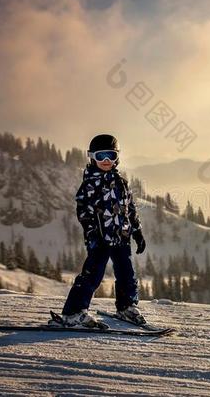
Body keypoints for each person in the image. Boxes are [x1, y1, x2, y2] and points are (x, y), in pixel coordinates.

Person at [60, 134, 147, 328]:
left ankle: (126, 307)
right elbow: (83, 212)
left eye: (111, 155)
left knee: (127, 274)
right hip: (100, 239)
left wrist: (137, 232)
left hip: (121, 238)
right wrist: (93, 233)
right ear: (92, 157)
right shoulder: (89, 185)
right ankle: (73, 312)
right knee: (93, 274)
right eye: (101, 156)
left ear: (117, 157)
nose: (106, 161)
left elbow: (130, 209)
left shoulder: (122, 183)